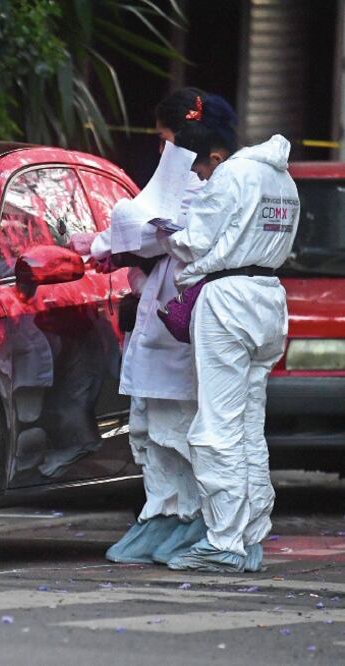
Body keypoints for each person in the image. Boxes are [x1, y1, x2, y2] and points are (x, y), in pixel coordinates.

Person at [69, 88, 215, 565]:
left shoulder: (199, 186)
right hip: (159, 317)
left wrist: (100, 244)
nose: (160, 149)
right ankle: (163, 511)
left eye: (164, 138)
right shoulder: (183, 185)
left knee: (176, 430)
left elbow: (145, 228)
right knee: (151, 429)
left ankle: (190, 515)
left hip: (181, 324)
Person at [160, 97, 300, 573]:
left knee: (216, 427)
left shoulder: (230, 177)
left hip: (228, 299)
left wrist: (165, 233)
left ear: (213, 158)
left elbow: (194, 241)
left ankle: (222, 543)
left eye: (198, 171)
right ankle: (250, 536)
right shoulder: (281, 177)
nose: (199, 181)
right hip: (269, 297)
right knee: (248, 429)